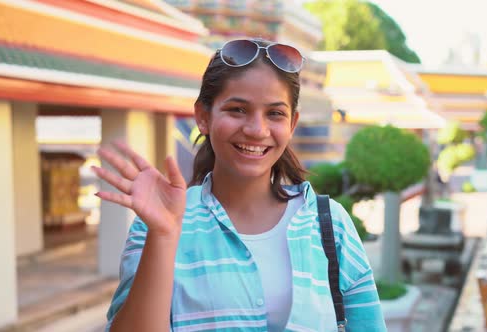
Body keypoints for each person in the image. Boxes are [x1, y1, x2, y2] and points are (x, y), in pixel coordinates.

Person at [95, 38, 387, 331]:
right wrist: (164, 234)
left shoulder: (330, 225)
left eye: (275, 113)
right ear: (203, 117)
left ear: (292, 124)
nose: (257, 130)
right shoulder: (156, 225)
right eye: (237, 110)